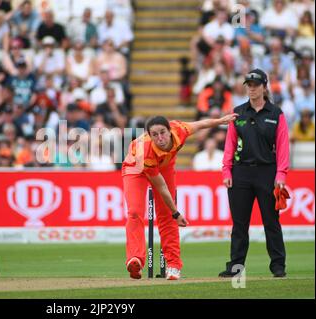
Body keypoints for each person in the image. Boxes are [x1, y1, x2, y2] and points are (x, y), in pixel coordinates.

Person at [122, 112, 238, 280]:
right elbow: (161, 187)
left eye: (162, 132)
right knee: (134, 211)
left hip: (165, 164)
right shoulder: (145, 150)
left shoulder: (179, 129)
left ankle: (174, 265)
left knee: (167, 216)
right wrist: (177, 212)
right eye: (154, 135)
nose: (160, 137)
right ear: (149, 136)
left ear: (170, 131)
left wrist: (220, 121)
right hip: (135, 167)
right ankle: (135, 259)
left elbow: (200, 125)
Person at [219, 69, 290, 278]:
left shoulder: (276, 114)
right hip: (240, 173)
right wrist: (226, 169)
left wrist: (281, 175)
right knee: (239, 224)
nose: (251, 88)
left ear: (264, 87)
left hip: (267, 173)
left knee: (271, 222)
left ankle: (278, 266)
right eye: (248, 84)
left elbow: (283, 146)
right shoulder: (238, 112)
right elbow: (230, 144)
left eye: (255, 84)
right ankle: (236, 267)